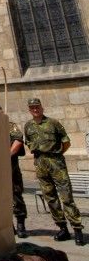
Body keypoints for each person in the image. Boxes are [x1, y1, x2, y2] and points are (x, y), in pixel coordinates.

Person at [24, 97, 84, 246]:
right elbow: (28, 143)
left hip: (56, 162)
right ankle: (62, 228)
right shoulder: (28, 126)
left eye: (37, 107)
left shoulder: (53, 123)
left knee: (66, 196)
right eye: (32, 108)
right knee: (50, 197)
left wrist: (56, 155)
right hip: (40, 163)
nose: (35, 110)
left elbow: (66, 142)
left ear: (42, 107)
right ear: (29, 110)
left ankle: (77, 229)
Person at [10, 120, 28, 238]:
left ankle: (21, 225)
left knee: (16, 195)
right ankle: (7, 226)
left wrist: (6, 156)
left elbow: (18, 140)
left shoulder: (9, 124)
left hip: (11, 167)